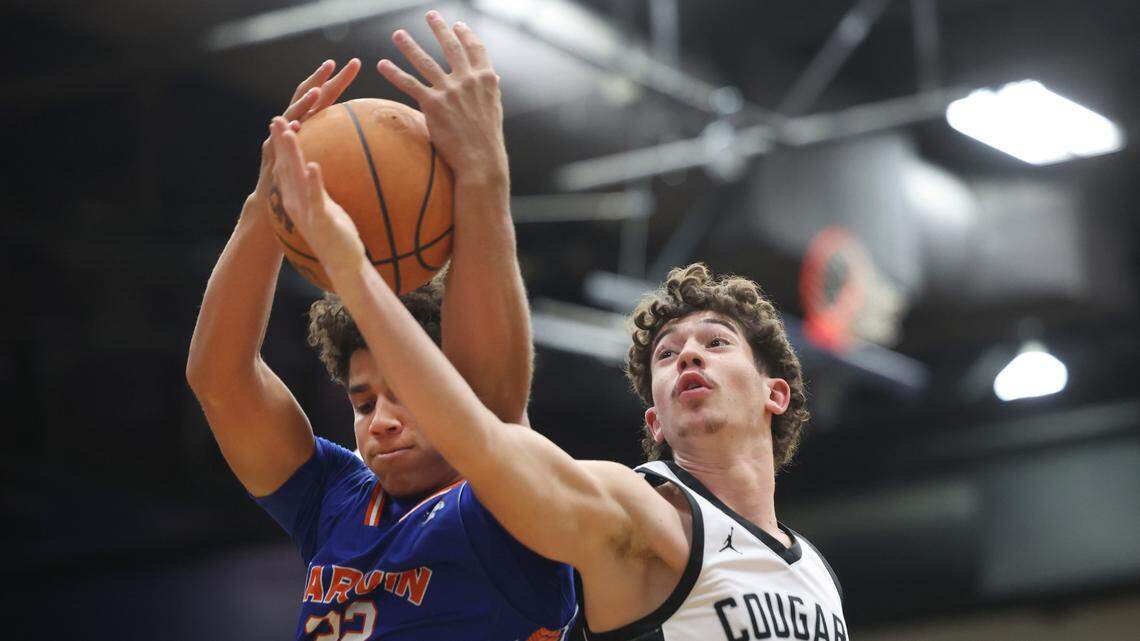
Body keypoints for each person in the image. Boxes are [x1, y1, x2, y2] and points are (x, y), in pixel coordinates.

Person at [269, 79, 850, 641]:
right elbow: (488, 437)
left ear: (775, 393)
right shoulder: (637, 514)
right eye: (667, 356)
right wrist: (361, 266)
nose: (688, 354)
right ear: (654, 421)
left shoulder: (816, 574)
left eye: (715, 342)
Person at [186, 11, 575, 641]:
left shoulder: (508, 500)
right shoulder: (335, 500)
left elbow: (494, 411)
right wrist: (268, 206)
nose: (382, 421)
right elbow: (219, 381)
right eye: (364, 402)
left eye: (410, 395)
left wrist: (482, 174)